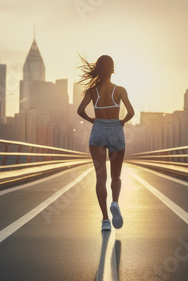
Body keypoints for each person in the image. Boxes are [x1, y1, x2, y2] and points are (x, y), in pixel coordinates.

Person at [77, 55, 135, 231]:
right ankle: (115, 202)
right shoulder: (119, 90)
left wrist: (92, 120)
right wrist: (122, 121)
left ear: (97, 70)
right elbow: (131, 112)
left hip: (98, 132)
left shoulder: (92, 92)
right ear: (112, 70)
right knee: (115, 176)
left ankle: (105, 220)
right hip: (116, 131)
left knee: (100, 178)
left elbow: (80, 110)